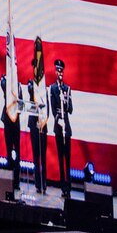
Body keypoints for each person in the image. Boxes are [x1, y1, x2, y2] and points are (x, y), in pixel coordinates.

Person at [27, 36, 49, 194]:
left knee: (43, 158)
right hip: (33, 122)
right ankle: (37, 184)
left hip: (42, 124)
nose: (36, 69)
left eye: (37, 66)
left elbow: (46, 105)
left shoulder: (44, 88)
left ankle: (45, 183)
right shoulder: (30, 85)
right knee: (35, 157)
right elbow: (29, 103)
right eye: (34, 66)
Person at [50, 58, 74, 197]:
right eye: (58, 70)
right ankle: (63, 185)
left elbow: (70, 109)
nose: (60, 73)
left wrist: (67, 99)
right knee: (60, 158)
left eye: (61, 71)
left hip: (67, 126)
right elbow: (54, 110)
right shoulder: (53, 88)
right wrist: (59, 120)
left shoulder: (67, 89)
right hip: (59, 125)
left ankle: (69, 185)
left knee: (68, 158)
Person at [0, 74, 23, 194]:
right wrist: (6, 80)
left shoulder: (19, 86)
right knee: (9, 153)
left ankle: (17, 182)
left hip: (16, 123)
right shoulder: (5, 83)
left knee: (17, 153)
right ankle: (9, 181)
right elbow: (3, 87)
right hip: (8, 122)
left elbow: (21, 104)